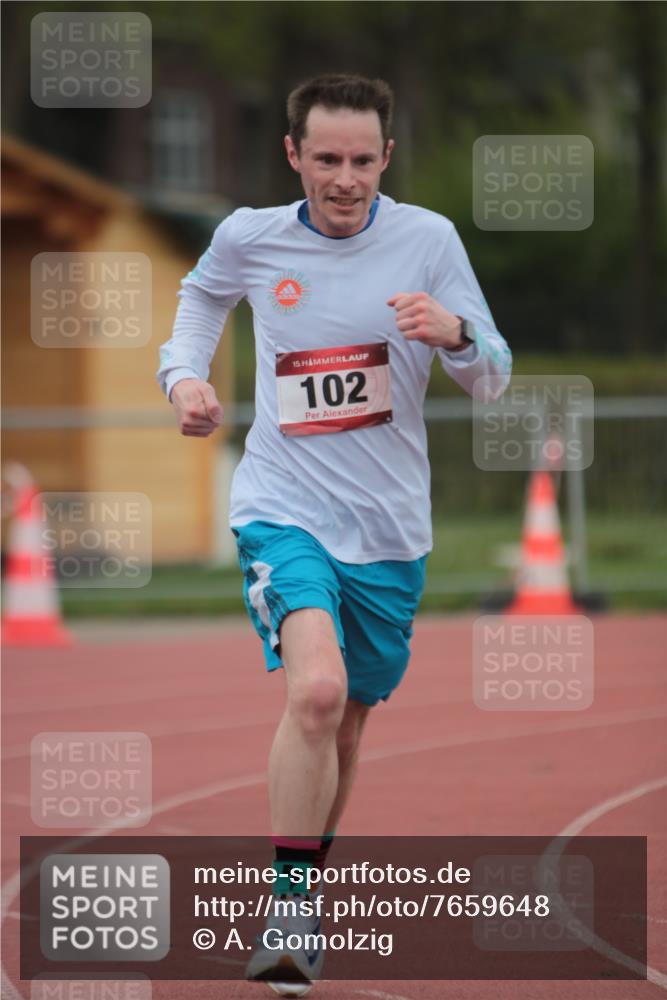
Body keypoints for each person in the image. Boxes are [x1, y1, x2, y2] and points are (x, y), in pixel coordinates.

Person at [157, 73, 512, 996]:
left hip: (388, 529)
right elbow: (199, 301)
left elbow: (494, 375)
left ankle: (304, 884)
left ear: (385, 158)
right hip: (283, 506)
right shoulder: (250, 236)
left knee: (346, 723)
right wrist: (184, 378)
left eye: (361, 160)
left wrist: (456, 334)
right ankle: (287, 912)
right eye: (326, 159)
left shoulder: (428, 240)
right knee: (316, 692)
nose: (344, 179)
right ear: (293, 155)